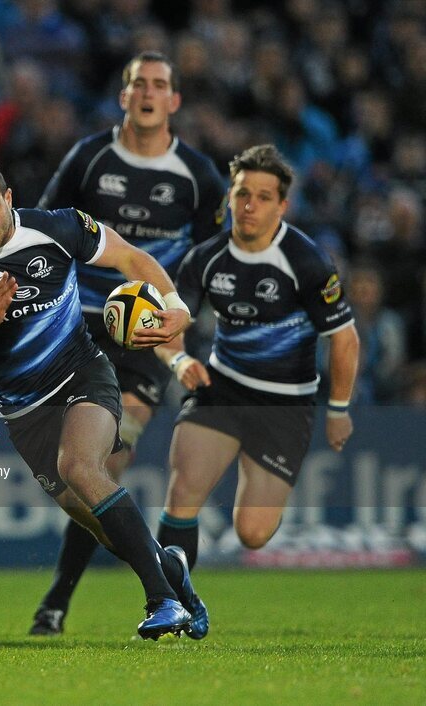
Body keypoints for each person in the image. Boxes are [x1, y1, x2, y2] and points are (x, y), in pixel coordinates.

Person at [0, 156, 207, 640]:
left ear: (8, 198)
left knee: (81, 464)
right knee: (103, 529)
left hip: (83, 375)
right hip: (24, 411)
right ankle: (174, 575)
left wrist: (176, 306)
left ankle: (161, 601)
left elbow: (131, 259)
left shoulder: (58, 227)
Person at [29, 50, 226, 636]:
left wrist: (178, 313)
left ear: (174, 100)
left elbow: (212, 257)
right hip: (76, 327)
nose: (147, 91)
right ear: (124, 96)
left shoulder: (196, 173)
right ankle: (161, 567)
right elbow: (43, 226)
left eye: (159, 84)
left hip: (144, 341)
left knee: (102, 463)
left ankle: (64, 602)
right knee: (71, 484)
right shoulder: (89, 158)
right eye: (138, 82)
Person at [154, 144, 359, 568]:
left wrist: (338, 408)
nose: (249, 206)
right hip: (222, 387)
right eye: (242, 193)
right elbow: (168, 323)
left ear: (282, 206)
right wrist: (179, 361)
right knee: (183, 490)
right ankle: (168, 607)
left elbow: (345, 339)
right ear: (229, 197)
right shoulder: (205, 259)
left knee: (253, 532)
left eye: (263, 197)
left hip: (285, 403)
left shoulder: (307, 262)